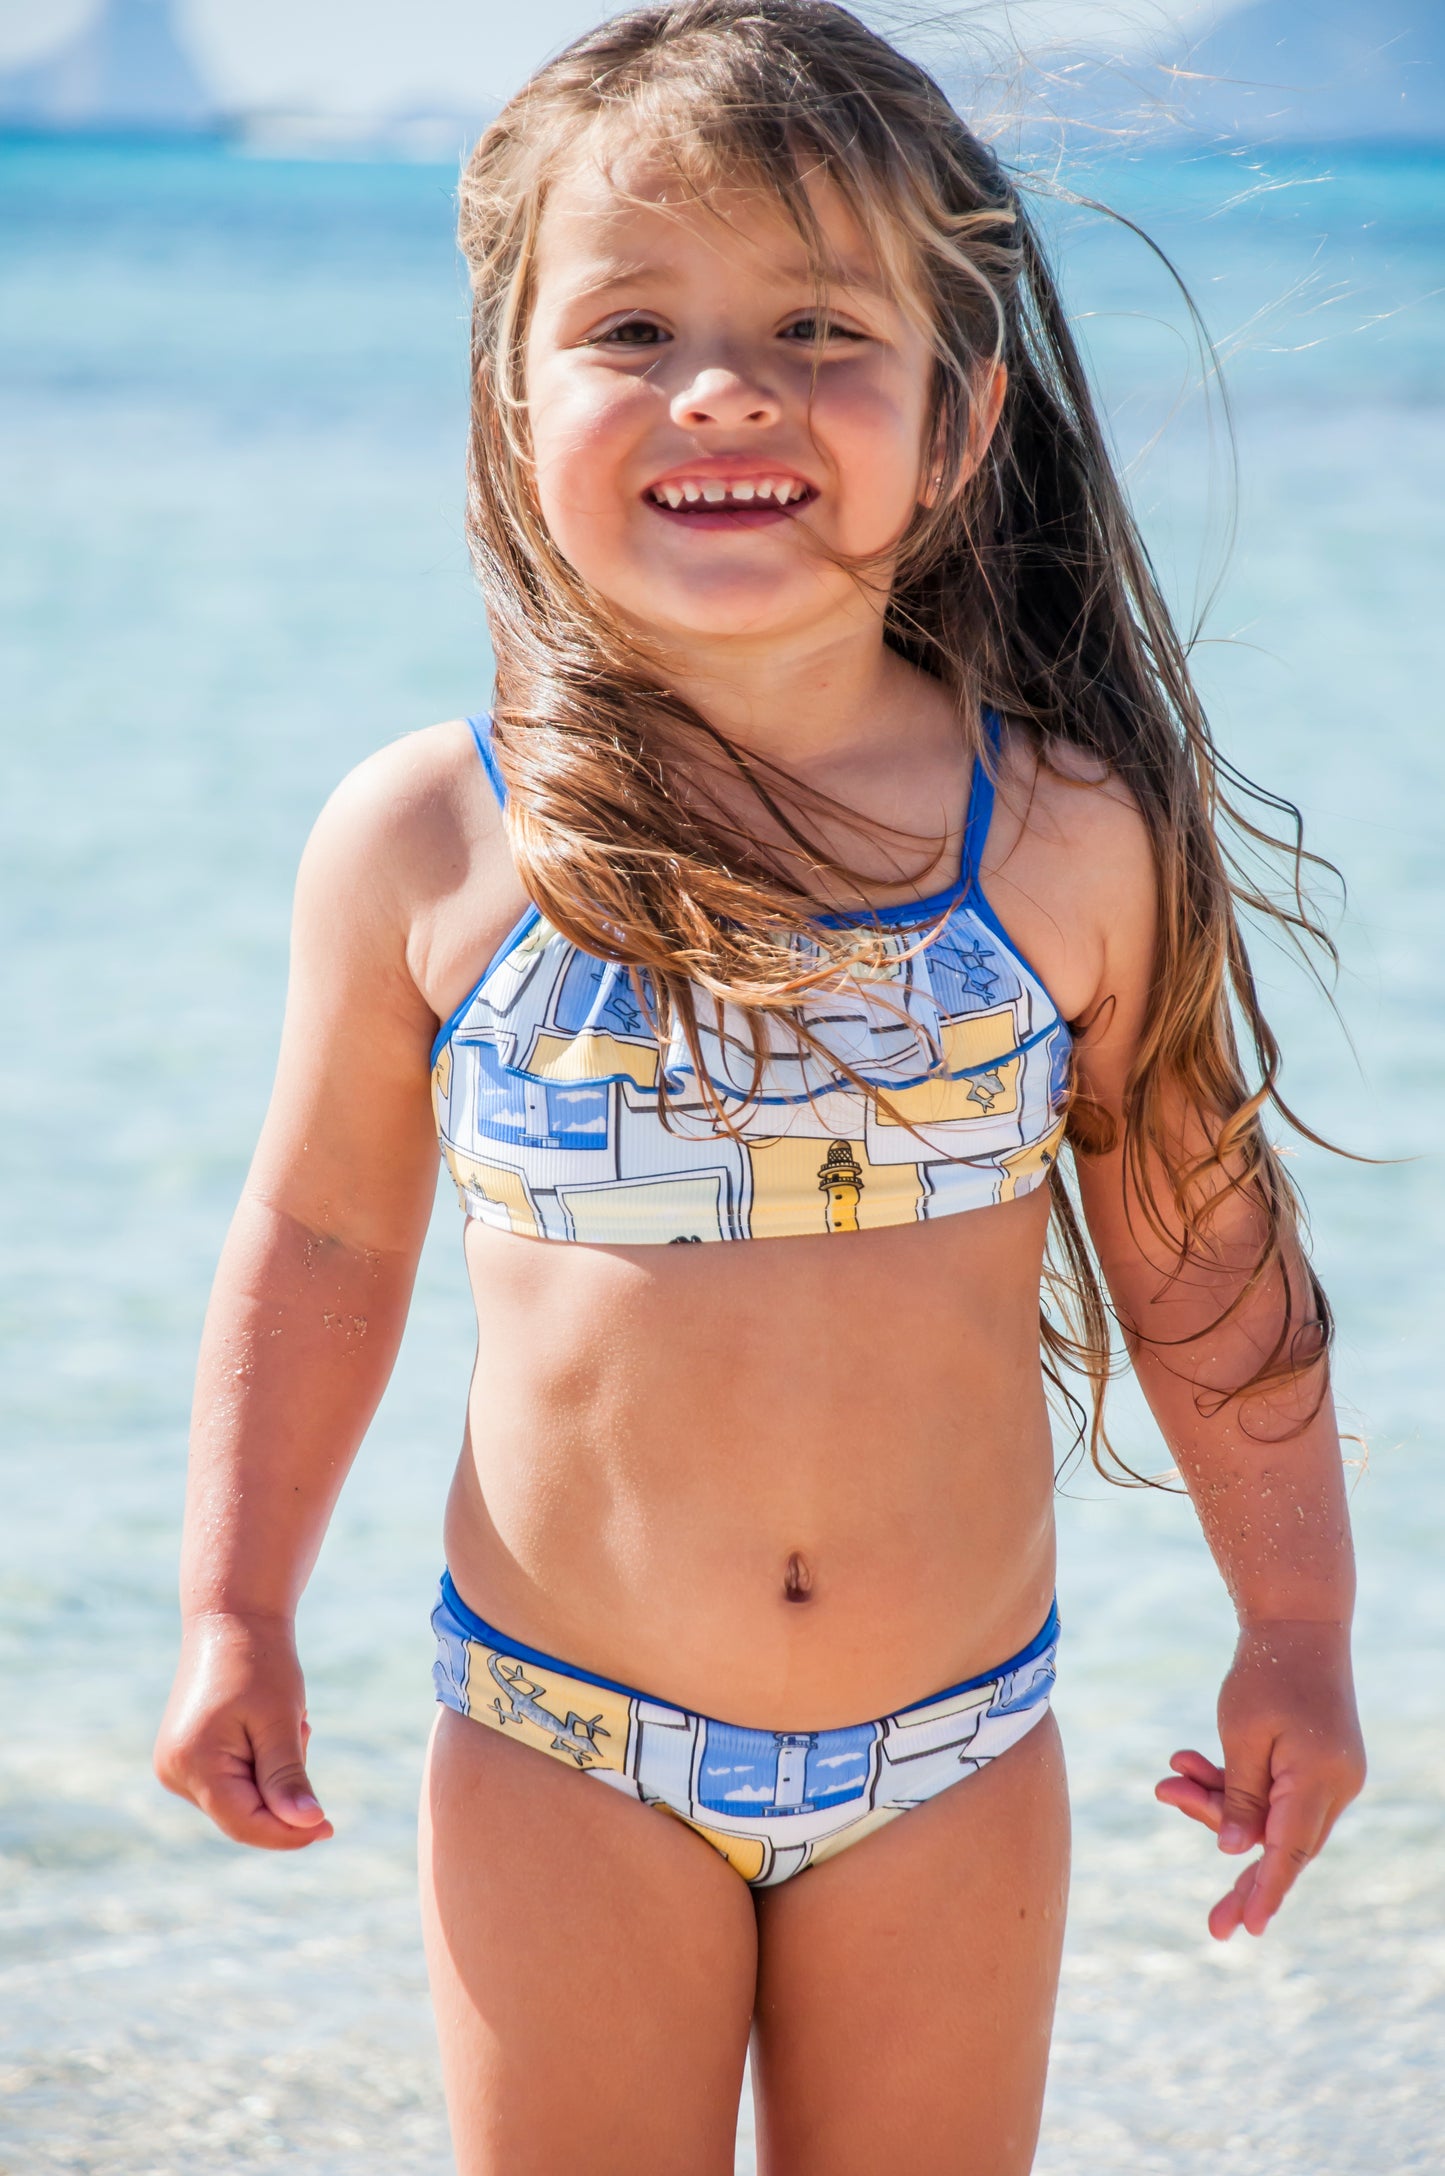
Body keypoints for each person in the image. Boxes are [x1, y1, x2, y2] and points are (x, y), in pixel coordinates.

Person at [153, 4, 1366, 2169]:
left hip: (953, 1750)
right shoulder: (437, 842)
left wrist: (1299, 1625)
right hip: (561, 1741)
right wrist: (235, 1605)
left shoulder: (1067, 837)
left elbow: (1200, 1239)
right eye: (632, 323)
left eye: (820, 323)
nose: (726, 386)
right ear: (512, 400)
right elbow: (325, 1231)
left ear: (960, 413)